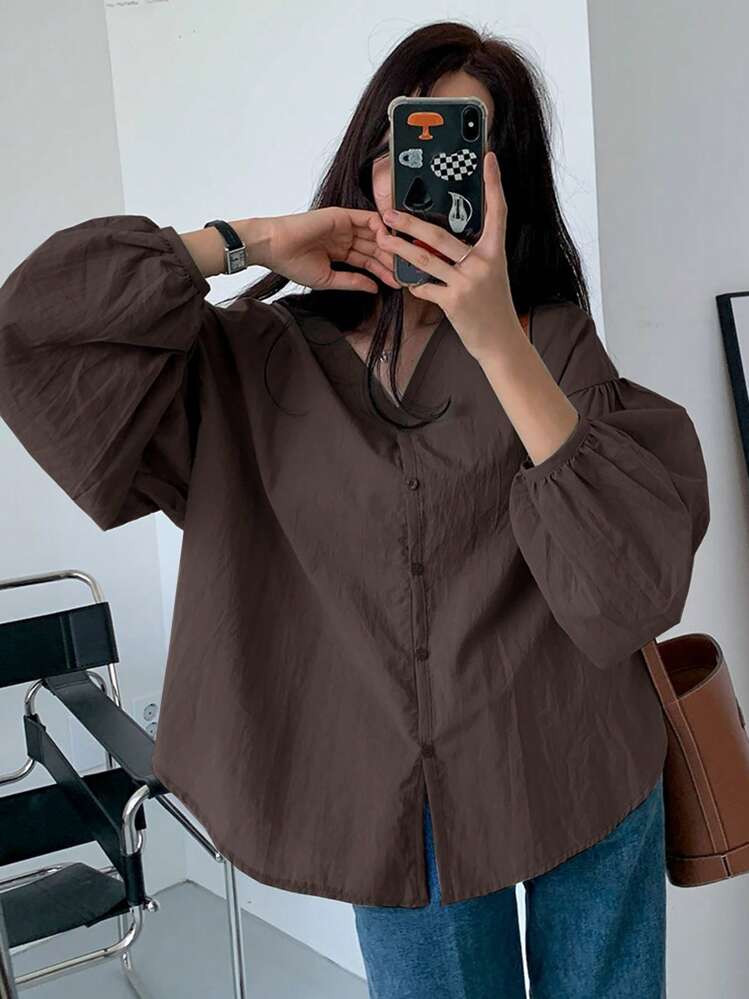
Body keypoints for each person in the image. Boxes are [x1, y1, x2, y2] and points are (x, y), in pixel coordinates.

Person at [0, 21, 708, 999]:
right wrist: (245, 241)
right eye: (403, 146)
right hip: (395, 809)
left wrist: (495, 339)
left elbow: (628, 587)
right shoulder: (260, 360)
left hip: (577, 758)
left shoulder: (548, 340)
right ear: (367, 161)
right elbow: (35, 330)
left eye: (464, 152)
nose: (423, 182)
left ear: (504, 185)